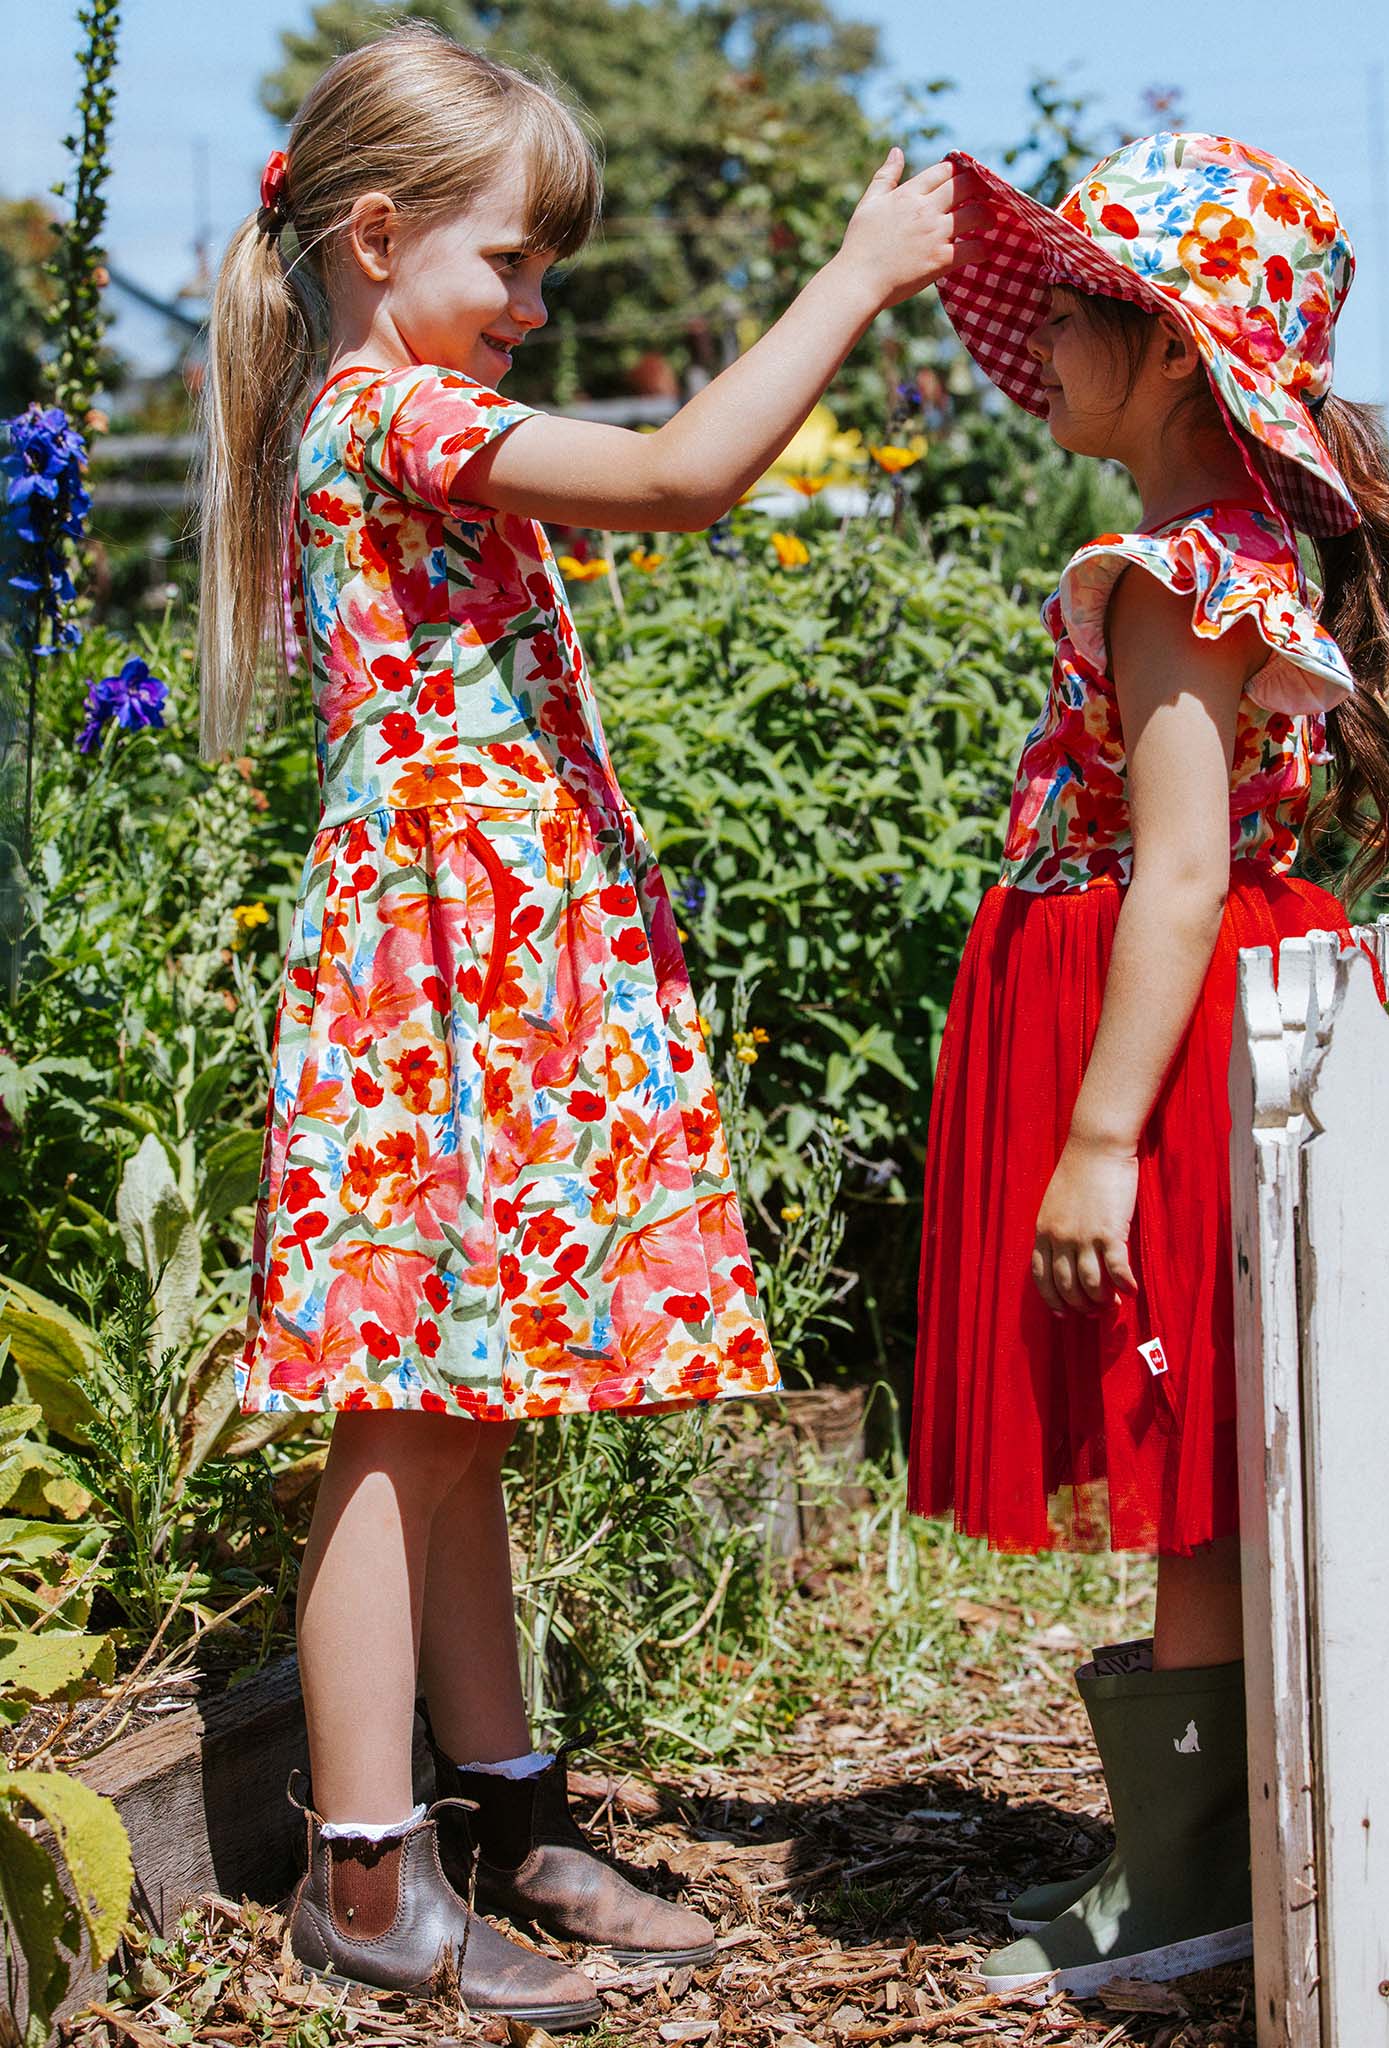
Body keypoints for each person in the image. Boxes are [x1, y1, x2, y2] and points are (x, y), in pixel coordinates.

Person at [196, 22, 978, 2028]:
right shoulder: (385, 412)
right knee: (399, 1418)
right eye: (516, 263)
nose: (538, 305)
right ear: (378, 239)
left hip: (471, 973)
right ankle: (365, 1871)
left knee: (462, 1416)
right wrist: (858, 271)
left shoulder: (398, 400)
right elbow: (686, 473)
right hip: (425, 981)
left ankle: (508, 1802)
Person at [907, 131, 1389, 2000]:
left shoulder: (1163, 572)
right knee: (1202, 1440)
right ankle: (1179, 1855)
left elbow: (1186, 864)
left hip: (1169, 1033)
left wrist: (1099, 1139)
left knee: (1191, 1444)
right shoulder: (1237, 552)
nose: (1041, 335)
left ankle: (1196, 1884)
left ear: (1179, 355)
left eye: (1082, 309)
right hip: (1219, 1012)